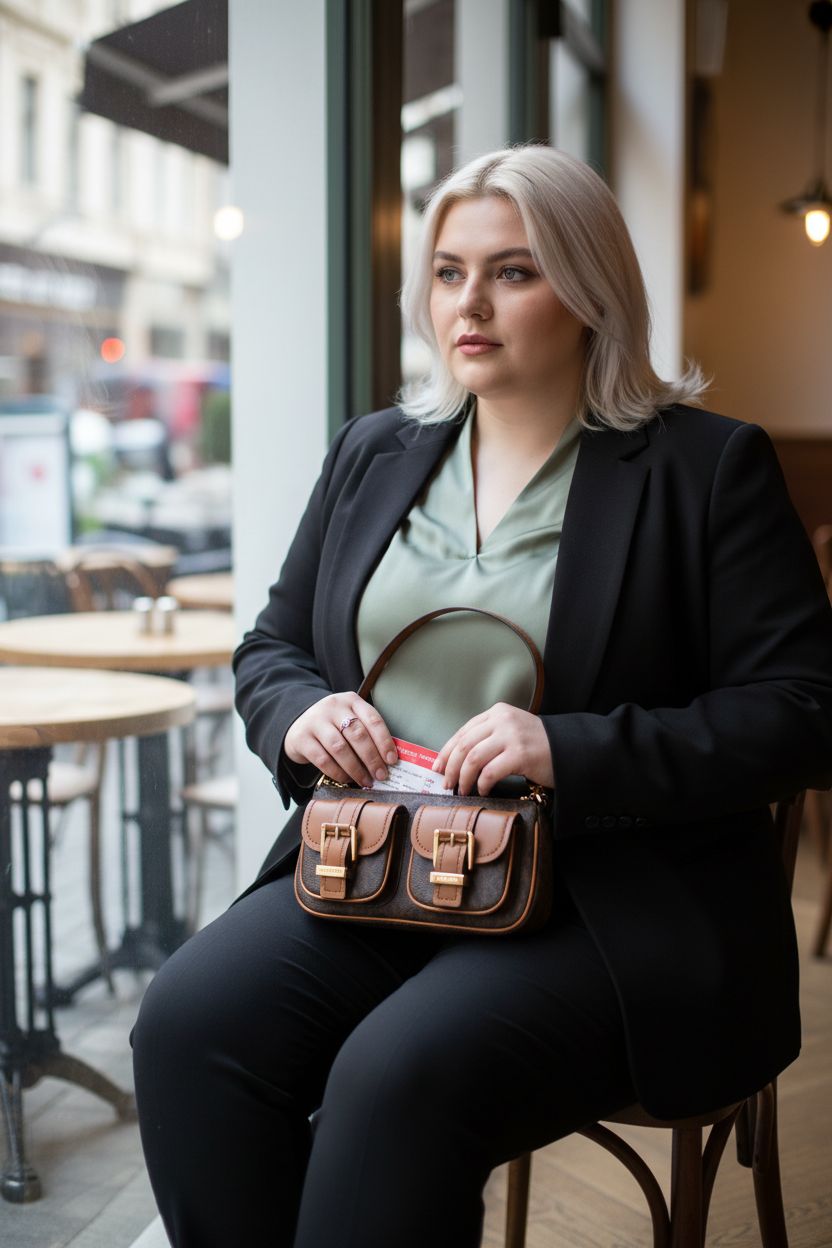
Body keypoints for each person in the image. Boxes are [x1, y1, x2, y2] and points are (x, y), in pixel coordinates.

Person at [131, 146, 832, 1248]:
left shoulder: (705, 468)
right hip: (378, 872)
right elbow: (271, 646)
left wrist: (570, 747)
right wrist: (299, 713)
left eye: (513, 271)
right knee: (187, 1024)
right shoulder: (375, 453)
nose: (470, 302)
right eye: (449, 272)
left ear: (591, 288)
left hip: (609, 900)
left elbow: (802, 709)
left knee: (395, 1076)